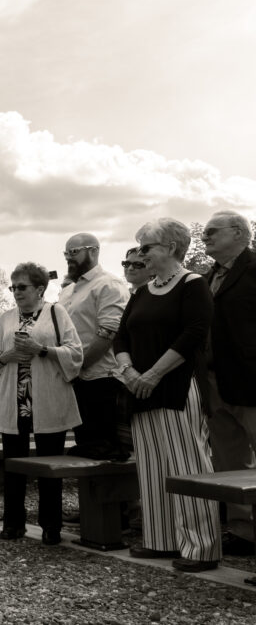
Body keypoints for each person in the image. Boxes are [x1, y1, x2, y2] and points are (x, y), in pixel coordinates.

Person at [113, 218, 221, 572]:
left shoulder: (193, 284)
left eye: (146, 247)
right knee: (152, 465)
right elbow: (121, 338)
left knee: (188, 465)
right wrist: (130, 373)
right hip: (139, 389)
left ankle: (200, 547)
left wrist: (154, 374)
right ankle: (161, 540)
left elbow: (193, 334)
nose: (140, 254)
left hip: (176, 386)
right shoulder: (143, 291)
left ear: (171, 248)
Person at [0, 262, 82, 545]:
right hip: (14, 403)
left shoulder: (56, 312)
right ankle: (13, 522)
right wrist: (6, 357)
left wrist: (40, 350)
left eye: (22, 287)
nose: (16, 292)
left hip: (47, 401)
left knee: (48, 468)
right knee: (13, 465)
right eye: (13, 287)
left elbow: (75, 353)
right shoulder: (6, 318)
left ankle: (50, 525)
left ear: (40, 288)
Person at [198, 210, 256, 555]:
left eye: (211, 231)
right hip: (214, 382)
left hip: (251, 380)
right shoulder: (206, 279)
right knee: (229, 462)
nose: (204, 237)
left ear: (237, 232)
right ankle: (243, 532)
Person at [57, 234, 130, 460]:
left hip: (101, 378)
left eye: (74, 252)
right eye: (66, 253)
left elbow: (108, 333)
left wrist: (79, 365)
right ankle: (92, 494)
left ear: (94, 251)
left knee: (106, 447)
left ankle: (118, 496)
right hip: (74, 377)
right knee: (86, 446)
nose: (69, 257)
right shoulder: (67, 291)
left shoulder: (109, 284)